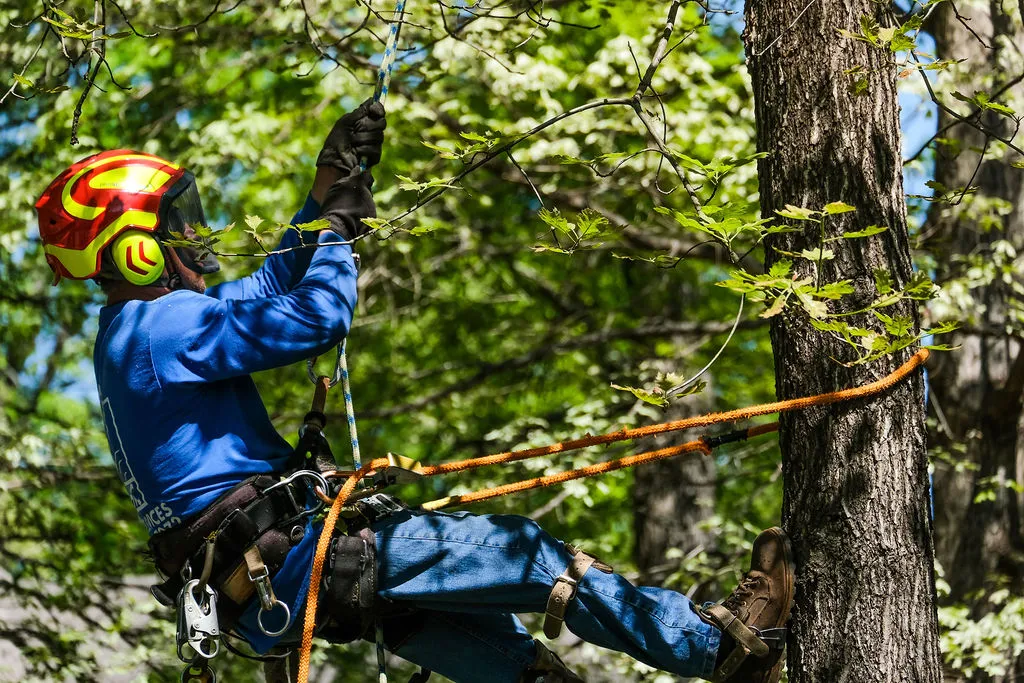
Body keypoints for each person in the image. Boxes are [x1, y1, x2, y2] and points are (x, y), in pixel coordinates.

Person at [36, 100, 794, 683]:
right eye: (179, 228)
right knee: (525, 553)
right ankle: (716, 647)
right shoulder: (158, 327)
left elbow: (266, 286)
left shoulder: (135, 336)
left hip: (280, 582)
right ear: (136, 252)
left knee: (510, 663)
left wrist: (323, 194)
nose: (195, 240)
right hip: (295, 561)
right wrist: (333, 235)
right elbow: (316, 313)